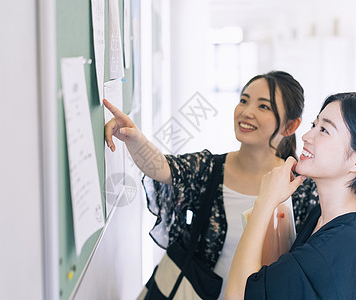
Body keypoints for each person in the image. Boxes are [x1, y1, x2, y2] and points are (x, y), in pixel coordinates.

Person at [104, 71, 319, 299]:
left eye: (263, 107)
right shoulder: (209, 168)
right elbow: (163, 167)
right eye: (243, 100)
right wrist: (133, 136)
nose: (246, 112)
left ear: (291, 126)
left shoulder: (300, 187)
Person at [224, 92, 356, 300]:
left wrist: (265, 201)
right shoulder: (328, 219)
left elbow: (236, 296)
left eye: (325, 130)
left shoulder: (337, 245)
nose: (307, 136)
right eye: (313, 125)